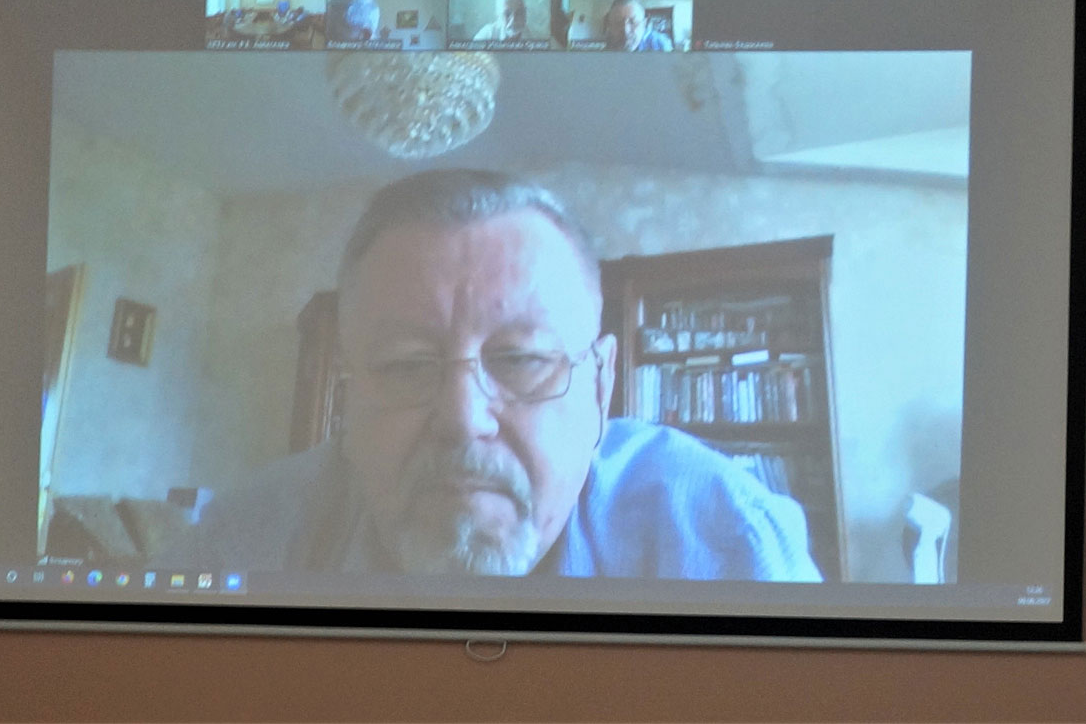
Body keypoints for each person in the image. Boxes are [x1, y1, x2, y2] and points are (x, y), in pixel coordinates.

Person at [185, 169, 821, 581]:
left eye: (521, 360)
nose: (463, 419)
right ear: (347, 399)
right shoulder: (242, 545)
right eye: (406, 366)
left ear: (600, 388)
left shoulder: (726, 541)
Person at [472, 0, 545, 43]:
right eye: (507, 14)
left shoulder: (538, 36)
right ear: (498, 16)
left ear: (525, 13)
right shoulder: (487, 34)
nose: (513, 20)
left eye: (519, 12)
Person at [604, 0, 673, 52]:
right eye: (618, 22)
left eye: (633, 22)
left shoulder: (660, 45)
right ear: (609, 25)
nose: (626, 30)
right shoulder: (602, 52)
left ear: (644, 24)